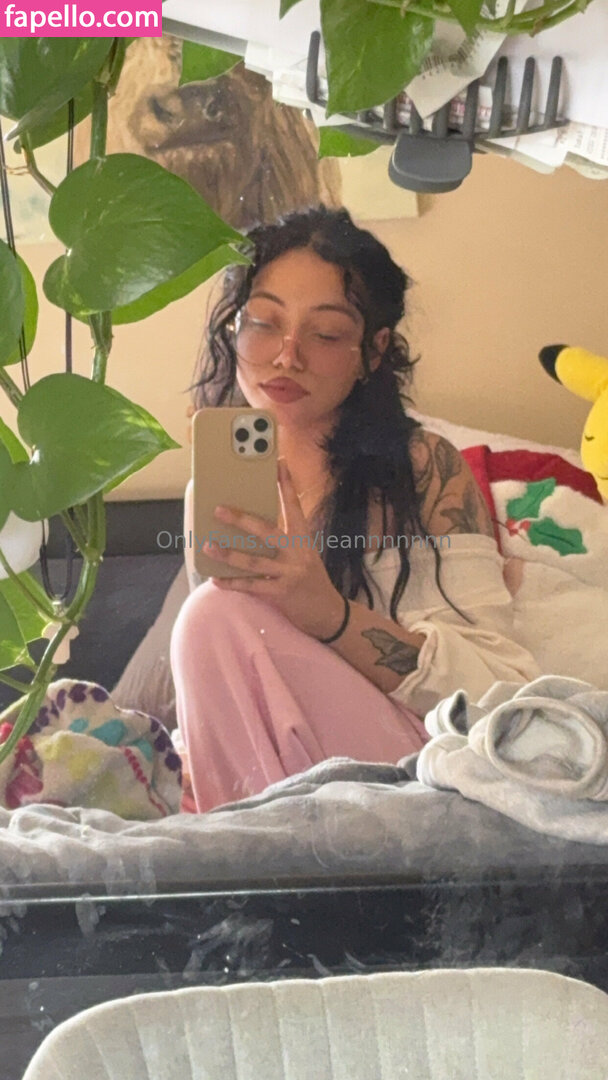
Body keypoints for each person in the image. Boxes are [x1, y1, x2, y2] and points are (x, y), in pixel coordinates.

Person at [170, 206, 540, 813]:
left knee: (212, 614)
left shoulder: (425, 468)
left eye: (324, 334)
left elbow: (504, 691)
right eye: (263, 323)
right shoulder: (213, 492)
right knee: (211, 618)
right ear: (234, 330)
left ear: (373, 351)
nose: (287, 356)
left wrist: (332, 617)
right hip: (278, 787)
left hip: (415, 774)